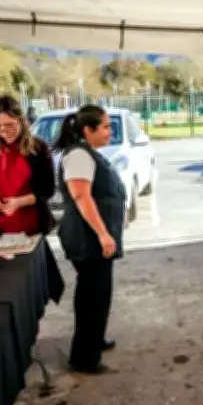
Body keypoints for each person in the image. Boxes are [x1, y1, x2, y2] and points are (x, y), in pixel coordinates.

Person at [53, 104, 126, 375]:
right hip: (87, 239)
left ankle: (95, 340)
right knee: (91, 296)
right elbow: (82, 197)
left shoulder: (89, 154)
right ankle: (84, 357)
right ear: (88, 130)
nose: (110, 131)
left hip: (93, 237)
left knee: (99, 292)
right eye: (105, 127)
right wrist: (103, 233)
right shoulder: (79, 157)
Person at [0, 95, 55, 235]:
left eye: (9, 125)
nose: (3, 130)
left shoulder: (38, 147)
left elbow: (47, 189)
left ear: (21, 121)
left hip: (29, 226)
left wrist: (19, 202)